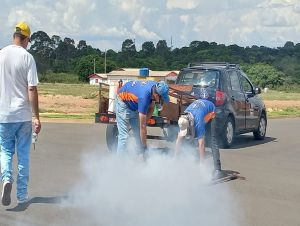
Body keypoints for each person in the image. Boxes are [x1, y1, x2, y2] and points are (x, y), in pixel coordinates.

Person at [0, 21, 41, 206]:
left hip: (4, 115)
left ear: (14, 36)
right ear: (27, 39)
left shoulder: (1, 54)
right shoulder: (27, 57)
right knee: (23, 154)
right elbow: (32, 88)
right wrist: (36, 116)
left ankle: (6, 179)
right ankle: (22, 195)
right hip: (23, 115)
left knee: (5, 150)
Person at [175, 88, 225, 179]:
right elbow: (179, 139)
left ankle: (218, 170)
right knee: (191, 138)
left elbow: (201, 145)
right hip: (199, 115)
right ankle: (190, 163)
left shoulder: (198, 122)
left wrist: (202, 165)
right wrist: (175, 159)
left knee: (212, 139)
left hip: (211, 114)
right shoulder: (184, 116)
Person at [116, 80, 169, 157]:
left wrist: (145, 121)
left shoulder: (155, 87)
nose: (163, 101)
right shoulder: (144, 97)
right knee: (124, 136)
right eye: (162, 99)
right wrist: (144, 147)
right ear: (157, 95)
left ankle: (139, 157)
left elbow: (151, 108)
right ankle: (119, 163)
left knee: (138, 134)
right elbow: (143, 127)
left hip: (133, 103)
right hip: (122, 101)